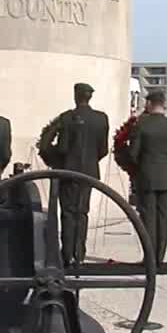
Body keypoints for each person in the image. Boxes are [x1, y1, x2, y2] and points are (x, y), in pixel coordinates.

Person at [38, 82, 109, 267]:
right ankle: (79, 254)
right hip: (89, 171)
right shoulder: (101, 119)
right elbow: (103, 149)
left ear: (76, 96)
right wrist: (90, 161)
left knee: (68, 213)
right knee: (82, 212)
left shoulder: (67, 118)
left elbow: (51, 144)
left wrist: (55, 159)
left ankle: (67, 254)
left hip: (68, 170)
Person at [127, 91, 167, 264]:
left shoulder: (142, 125)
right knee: (163, 217)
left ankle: (149, 257)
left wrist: (135, 167)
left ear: (150, 104)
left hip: (147, 175)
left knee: (148, 218)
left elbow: (133, 154)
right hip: (166, 175)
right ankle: (160, 257)